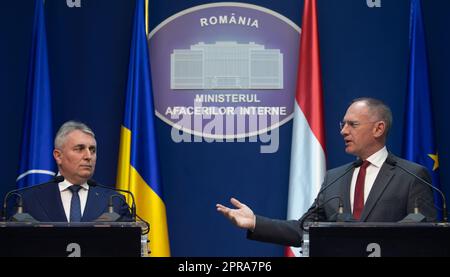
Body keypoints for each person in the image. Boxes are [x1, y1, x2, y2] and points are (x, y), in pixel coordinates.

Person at [216, 98, 437, 247]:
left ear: (378, 128)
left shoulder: (412, 176)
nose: (343, 131)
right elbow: (305, 230)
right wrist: (255, 222)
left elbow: (423, 233)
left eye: (352, 124)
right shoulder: (335, 178)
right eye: (343, 124)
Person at [17, 121, 131, 222]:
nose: (88, 156)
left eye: (92, 150)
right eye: (79, 149)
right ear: (58, 156)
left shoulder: (115, 201)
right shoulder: (28, 200)